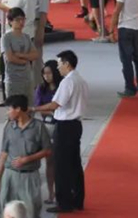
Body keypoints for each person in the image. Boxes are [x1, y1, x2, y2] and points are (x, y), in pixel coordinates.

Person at [32, 50, 89, 214]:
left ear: (67, 64)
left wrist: (34, 109)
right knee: (74, 164)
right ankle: (77, 199)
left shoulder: (67, 82)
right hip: (76, 125)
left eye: (59, 64)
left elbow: (55, 104)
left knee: (61, 165)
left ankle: (64, 202)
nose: (58, 68)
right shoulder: (81, 80)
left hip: (65, 126)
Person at [0, 95, 51, 218]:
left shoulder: (38, 127)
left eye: (9, 109)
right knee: (8, 210)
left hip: (29, 177)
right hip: (10, 176)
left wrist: (27, 159)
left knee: (31, 210)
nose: (7, 112)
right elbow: (4, 153)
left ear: (18, 109)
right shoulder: (9, 127)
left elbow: (47, 150)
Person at [33, 61, 61, 201]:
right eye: (44, 73)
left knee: (59, 161)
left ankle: (61, 190)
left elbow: (61, 108)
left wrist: (49, 109)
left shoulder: (61, 88)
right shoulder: (41, 88)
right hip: (46, 126)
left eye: (49, 73)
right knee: (49, 161)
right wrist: (51, 110)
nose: (46, 76)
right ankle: (51, 193)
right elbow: (39, 108)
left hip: (60, 126)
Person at [2, 8, 40, 99]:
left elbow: (35, 55)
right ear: (10, 21)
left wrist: (20, 55)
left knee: (29, 104)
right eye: (18, 19)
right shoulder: (6, 37)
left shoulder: (26, 37)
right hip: (13, 79)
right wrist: (25, 60)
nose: (21, 22)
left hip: (27, 78)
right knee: (14, 105)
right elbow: (10, 57)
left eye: (23, 19)